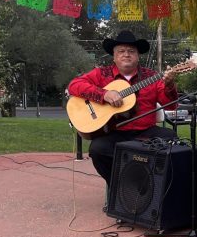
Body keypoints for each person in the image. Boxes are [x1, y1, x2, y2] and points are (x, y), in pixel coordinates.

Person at [68, 30, 179, 186]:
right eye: (121, 51)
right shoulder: (101, 74)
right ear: (114, 56)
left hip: (145, 132)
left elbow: (171, 105)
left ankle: (152, 188)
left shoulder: (152, 76)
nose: (126, 54)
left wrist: (169, 86)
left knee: (172, 140)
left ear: (138, 56)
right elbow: (74, 85)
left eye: (131, 51)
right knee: (97, 149)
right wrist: (104, 94)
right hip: (114, 132)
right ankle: (119, 187)